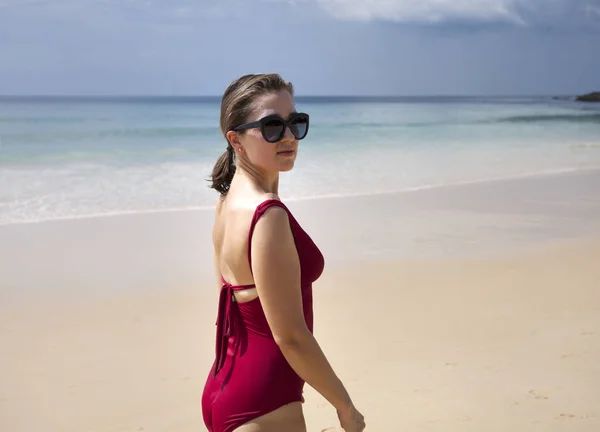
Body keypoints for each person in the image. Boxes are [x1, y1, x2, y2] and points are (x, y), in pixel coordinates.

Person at [201, 73, 366, 432]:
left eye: (296, 123)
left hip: (226, 390)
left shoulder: (226, 203)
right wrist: (345, 407)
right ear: (236, 140)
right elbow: (290, 336)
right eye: (272, 126)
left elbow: (232, 311)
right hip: (265, 402)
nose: (289, 136)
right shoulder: (267, 215)